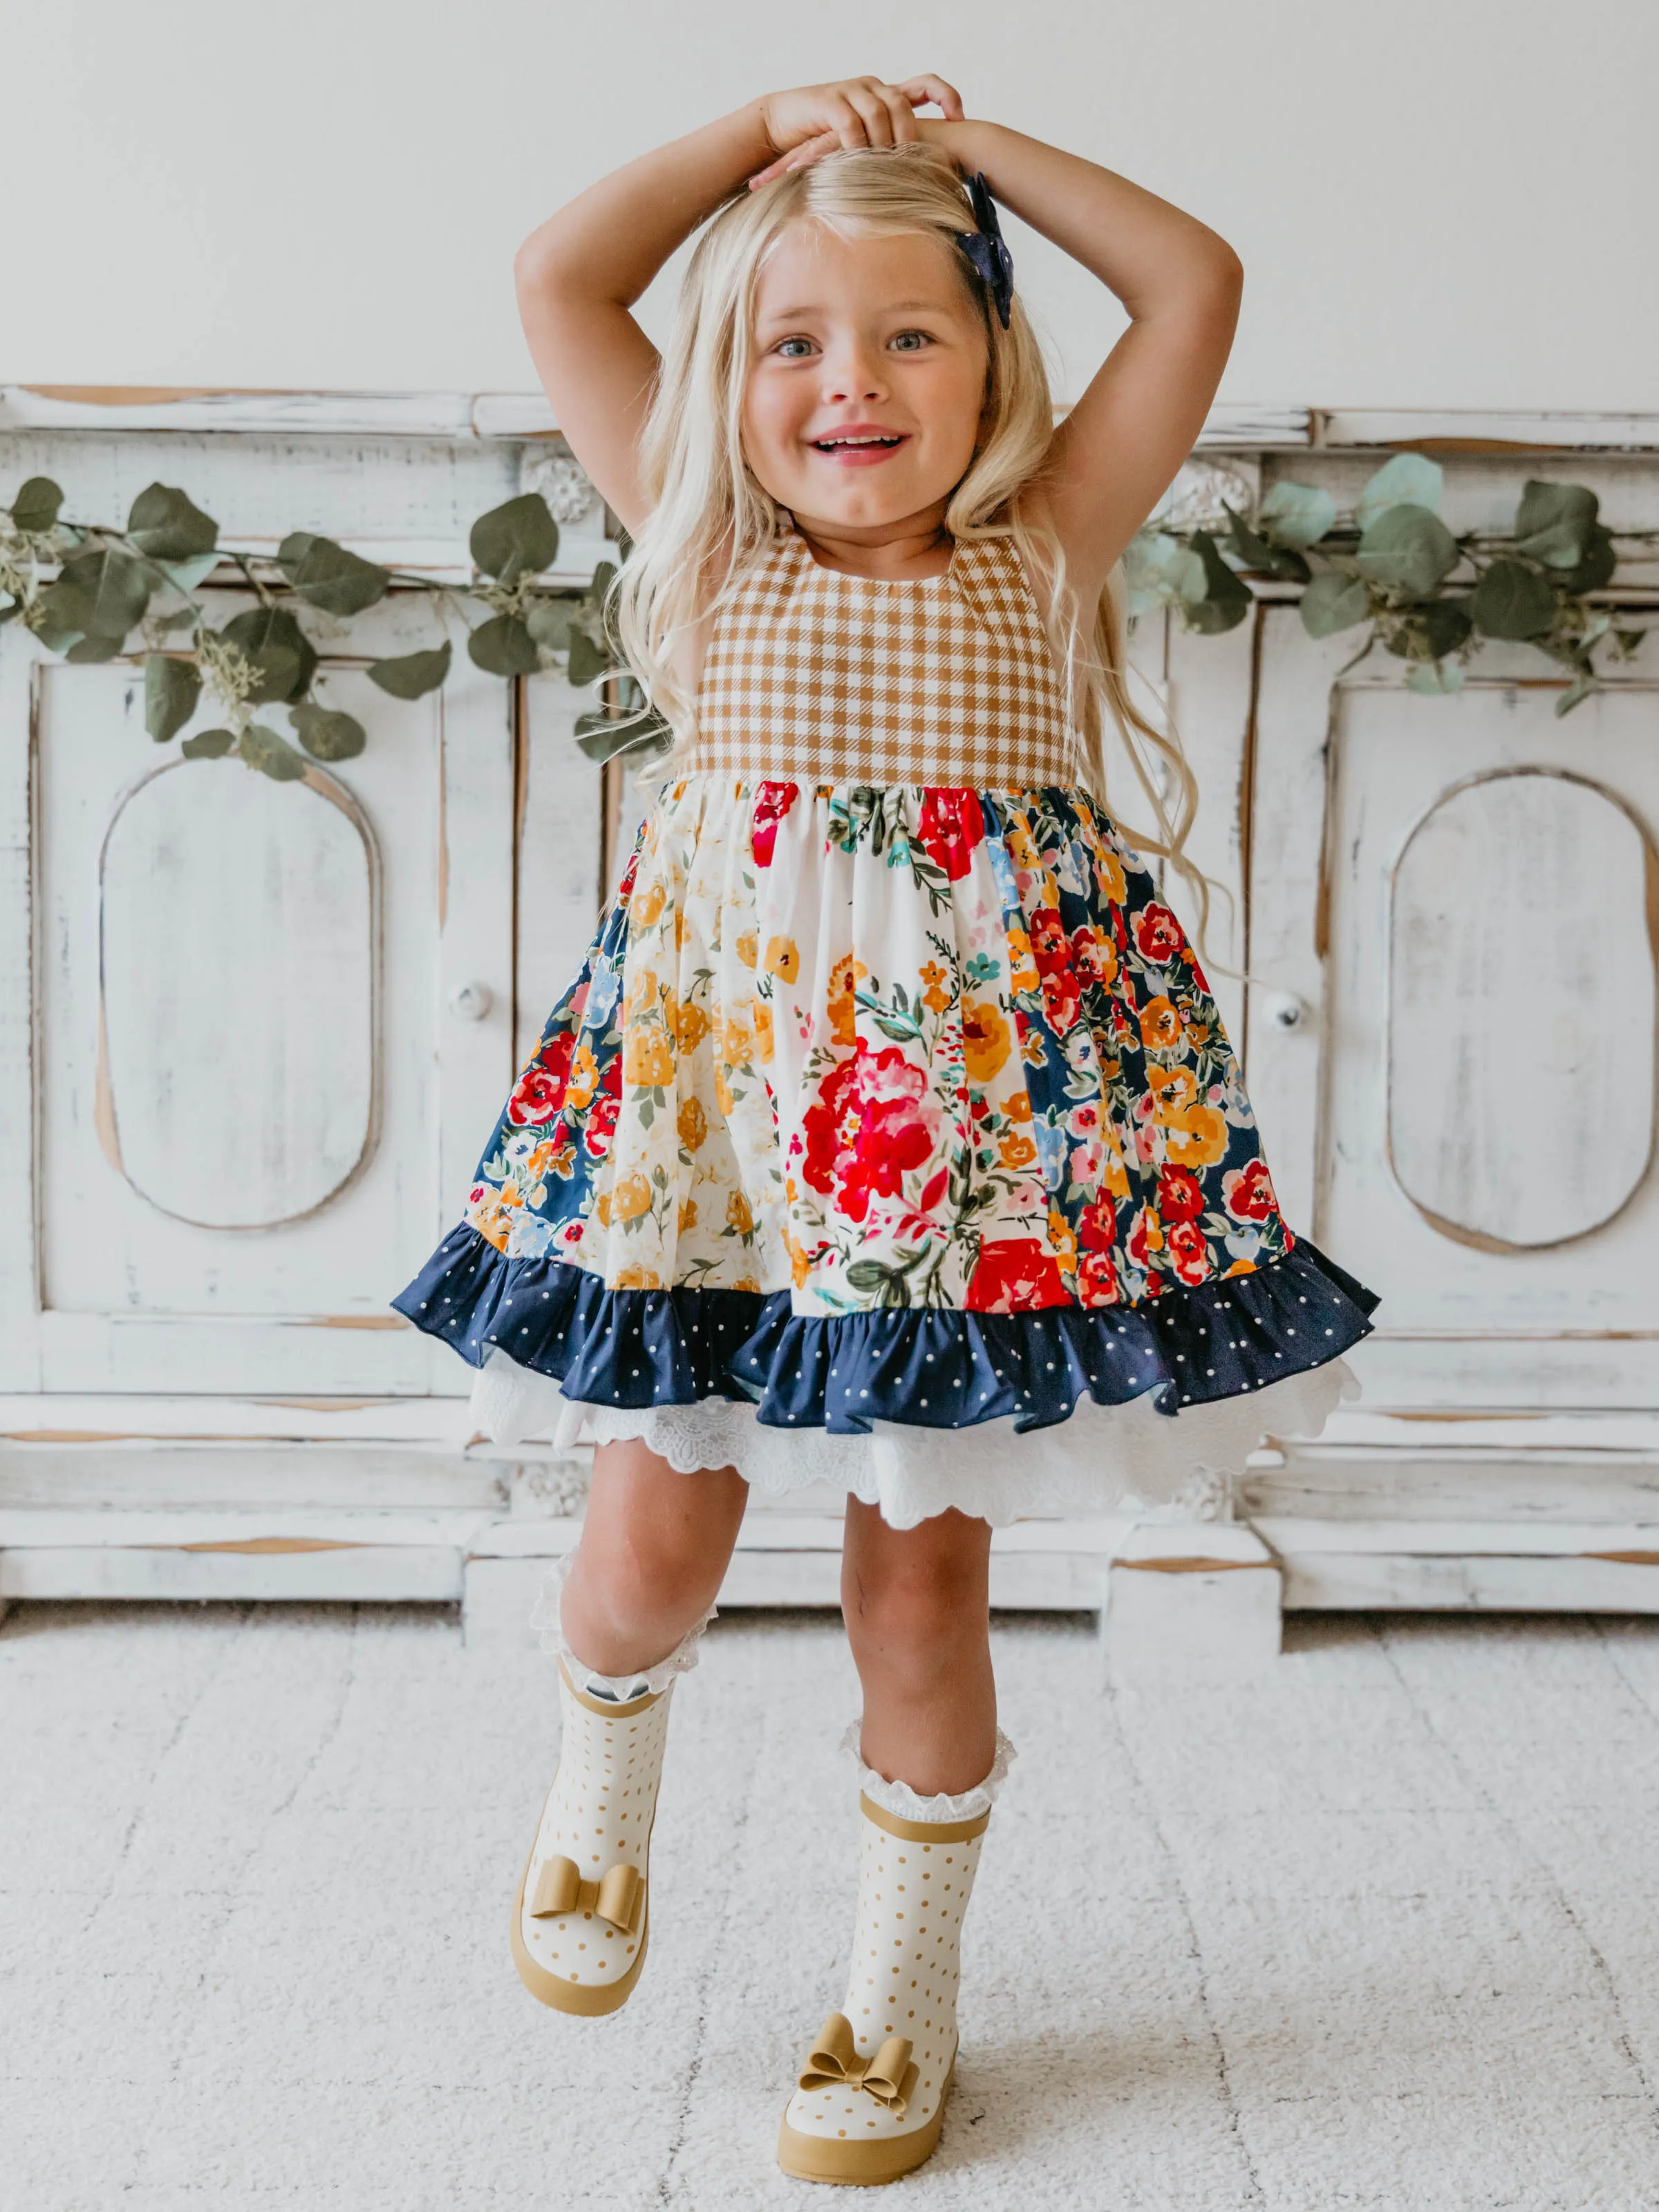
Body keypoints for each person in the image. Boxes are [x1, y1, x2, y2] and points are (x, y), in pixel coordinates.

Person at [395, 75, 1377, 2185]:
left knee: (917, 1605)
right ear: (734, 379)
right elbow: (564, 271)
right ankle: (601, 1782)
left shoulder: (1041, 553)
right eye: (796, 339)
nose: (855, 382)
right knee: (648, 1560)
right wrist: (757, 132)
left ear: (996, 361)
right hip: (721, 1167)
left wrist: (971, 150)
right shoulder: (702, 538)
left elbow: (1193, 278)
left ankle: (895, 1999)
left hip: (954, 1208)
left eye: (914, 331)